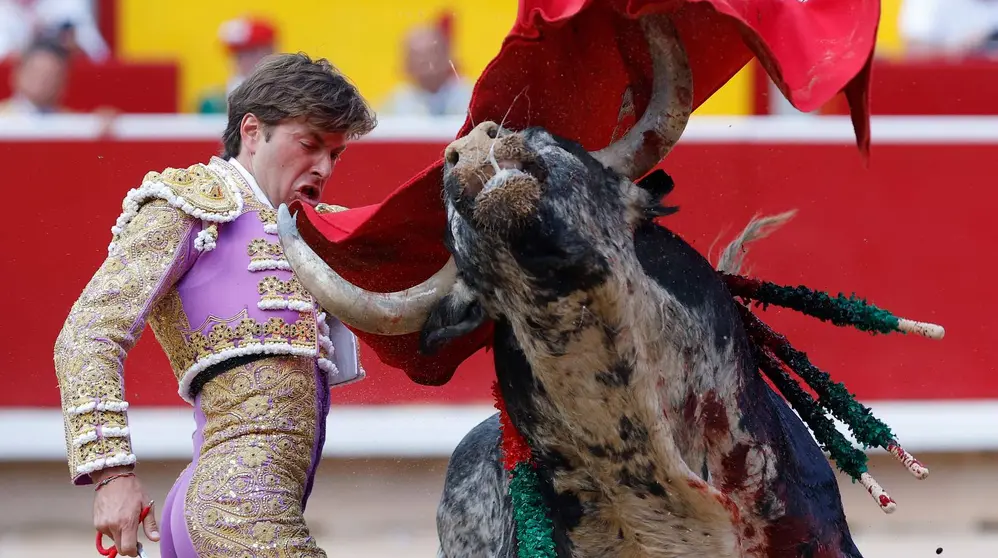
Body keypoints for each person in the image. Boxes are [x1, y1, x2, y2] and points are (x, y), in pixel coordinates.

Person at [52, 52, 377, 557]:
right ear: (252, 132)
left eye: (335, 154)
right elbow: (88, 333)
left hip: (235, 507)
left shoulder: (314, 228)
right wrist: (111, 474)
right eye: (310, 144)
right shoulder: (191, 207)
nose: (323, 166)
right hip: (236, 509)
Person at [379, 23, 472, 117]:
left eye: (432, 52)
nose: (426, 60)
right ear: (406, 63)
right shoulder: (395, 105)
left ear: (447, 56)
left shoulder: (471, 97)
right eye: (417, 55)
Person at [197, 16, 278, 114]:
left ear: (271, 51)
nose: (243, 60)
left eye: (251, 52)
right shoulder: (214, 104)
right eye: (237, 54)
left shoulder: (286, 98)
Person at [0, 37, 69, 114]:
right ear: (18, 74)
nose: (41, 81)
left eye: (49, 76)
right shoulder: (2, 116)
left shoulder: (73, 121)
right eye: (36, 72)